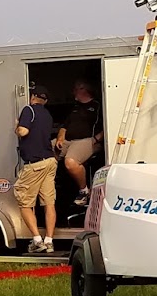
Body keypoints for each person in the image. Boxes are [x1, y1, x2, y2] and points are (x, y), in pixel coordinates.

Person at [14, 84, 59, 253]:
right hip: (50, 161)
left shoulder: (28, 110)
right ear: (45, 100)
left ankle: (37, 240)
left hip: (35, 165)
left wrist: (17, 127)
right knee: (49, 202)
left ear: (32, 96)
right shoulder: (47, 115)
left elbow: (23, 131)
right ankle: (49, 241)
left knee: (24, 201)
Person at [58, 79, 101, 209]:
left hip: (87, 140)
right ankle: (46, 190)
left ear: (84, 90)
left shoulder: (97, 106)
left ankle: (84, 191)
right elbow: (64, 127)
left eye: (76, 88)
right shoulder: (75, 108)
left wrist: (96, 139)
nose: (74, 91)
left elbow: (109, 123)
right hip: (68, 141)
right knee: (42, 151)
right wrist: (60, 138)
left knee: (70, 162)